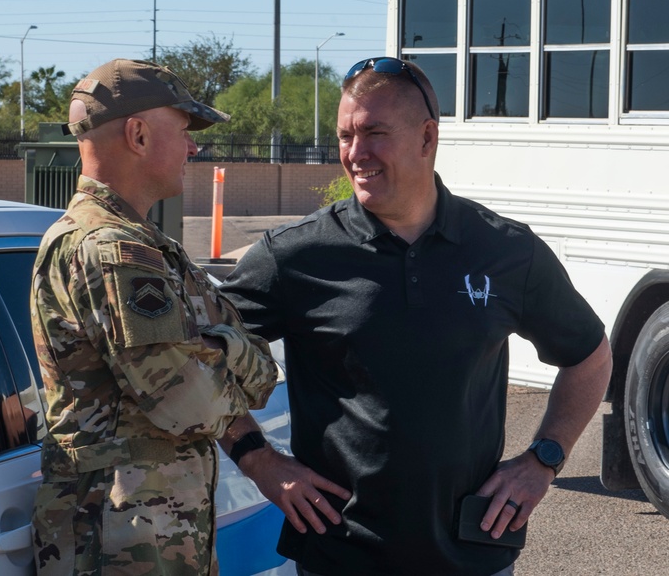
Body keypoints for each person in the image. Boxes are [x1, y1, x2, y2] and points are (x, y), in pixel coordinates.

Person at [219, 57, 613, 575]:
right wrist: (258, 459)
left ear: (427, 137)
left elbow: (589, 355)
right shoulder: (294, 256)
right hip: (339, 554)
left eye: (374, 133)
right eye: (344, 136)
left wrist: (543, 459)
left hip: (475, 554)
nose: (356, 154)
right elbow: (198, 357)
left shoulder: (505, 250)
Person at [30, 58, 281, 576]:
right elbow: (191, 402)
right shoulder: (112, 250)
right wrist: (231, 350)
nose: (194, 147)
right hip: (120, 544)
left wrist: (221, 354)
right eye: (185, 130)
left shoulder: (145, 244)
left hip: (148, 535)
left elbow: (256, 375)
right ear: (138, 135)